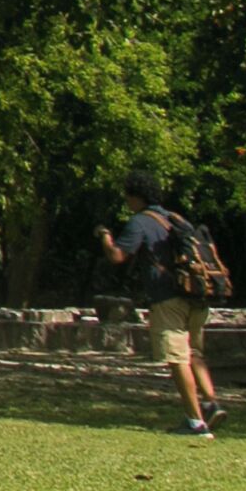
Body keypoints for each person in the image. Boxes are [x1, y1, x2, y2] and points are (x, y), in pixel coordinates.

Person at [99, 171, 221, 436]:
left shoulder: (140, 222)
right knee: (195, 353)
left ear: (135, 196)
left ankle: (195, 422)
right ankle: (211, 403)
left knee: (177, 358)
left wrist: (105, 236)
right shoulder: (176, 219)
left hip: (168, 298)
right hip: (197, 294)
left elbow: (118, 255)